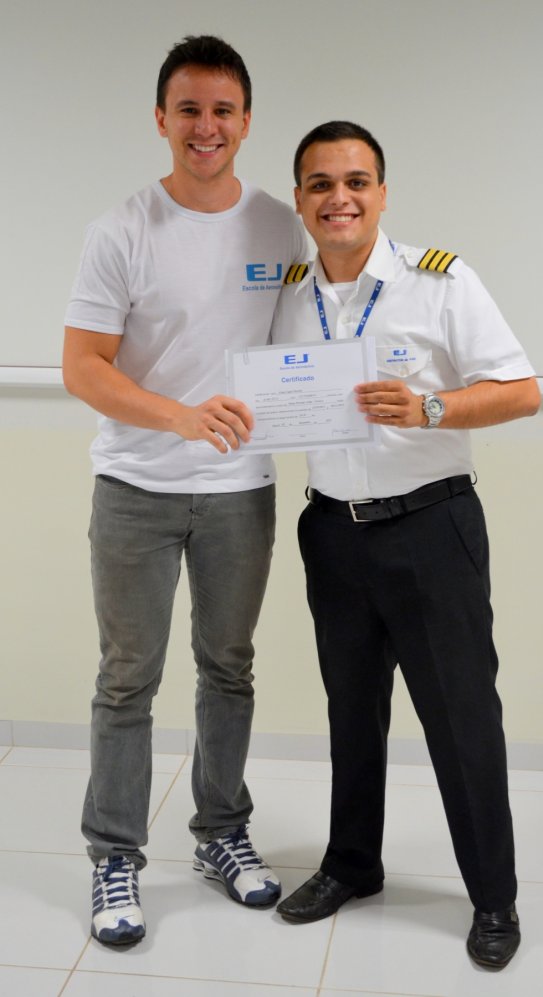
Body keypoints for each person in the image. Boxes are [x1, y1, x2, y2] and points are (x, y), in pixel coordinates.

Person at [271, 121, 541, 970]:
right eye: (321, 184)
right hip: (332, 530)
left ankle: (493, 896)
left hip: (430, 527)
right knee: (351, 713)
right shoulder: (287, 292)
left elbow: (522, 390)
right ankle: (352, 863)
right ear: (300, 200)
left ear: (382, 193)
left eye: (356, 181)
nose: (339, 198)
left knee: (462, 718)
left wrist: (432, 408)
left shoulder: (441, 282)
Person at [62, 34, 306, 946]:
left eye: (223, 110)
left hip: (241, 490)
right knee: (128, 677)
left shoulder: (280, 226)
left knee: (228, 667)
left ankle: (220, 833)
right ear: (161, 120)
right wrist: (178, 418)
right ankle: (114, 855)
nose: (207, 127)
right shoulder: (121, 230)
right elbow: (84, 367)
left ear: (247, 121)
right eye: (190, 110)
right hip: (136, 486)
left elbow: (303, 344)